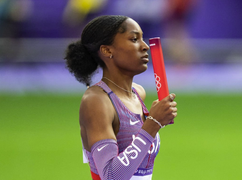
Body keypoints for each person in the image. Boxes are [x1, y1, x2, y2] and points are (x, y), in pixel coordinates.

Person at [64, 15, 178, 180]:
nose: (145, 46)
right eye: (134, 39)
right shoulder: (97, 101)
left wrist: (159, 117)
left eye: (142, 39)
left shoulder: (138, 93)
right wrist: (153, 124)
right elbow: (111, 176)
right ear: (107, 50)